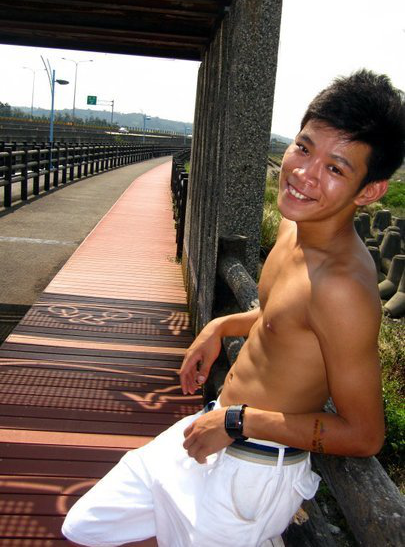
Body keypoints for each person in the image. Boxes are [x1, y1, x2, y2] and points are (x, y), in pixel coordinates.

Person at [62, 70, 405, 547]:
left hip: (250, 474)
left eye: (335, 169)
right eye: (304, 148)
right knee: (85, 524)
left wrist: (238, 421)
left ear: (369, 191)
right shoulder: (293, 228)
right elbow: (282, 317)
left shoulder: (343, 288)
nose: (304, 174)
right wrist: (221, 326)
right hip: (212, 427)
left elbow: (365, 435)